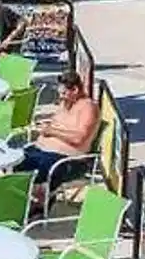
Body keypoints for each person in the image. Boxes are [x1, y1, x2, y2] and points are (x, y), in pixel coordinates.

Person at [14, 71, 100, 205]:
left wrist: (52, 131)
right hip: (42, 151)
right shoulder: (64, 104)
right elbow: (57, 126)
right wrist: (46, 128)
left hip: (66, 159)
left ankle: (40, 202)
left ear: (75, 90)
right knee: (16, 161)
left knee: (38, 171)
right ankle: (24, 201)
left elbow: (79, 138)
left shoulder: (88, 107)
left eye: (64, 93)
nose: (61, 97)